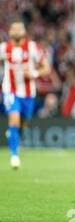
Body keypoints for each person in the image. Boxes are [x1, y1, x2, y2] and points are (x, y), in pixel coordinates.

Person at [0, 20, 50, 169]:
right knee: (14, 120)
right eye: (13, 28)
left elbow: (46, 68)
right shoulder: (3, 48)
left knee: (23, 122)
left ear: (24, 32)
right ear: (10, 32)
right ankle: (14, 155)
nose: (16, 31)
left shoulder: (32, 47)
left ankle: (14, 134)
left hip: (28, 93)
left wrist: (34, 73)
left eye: (19, 28)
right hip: (10, 90)